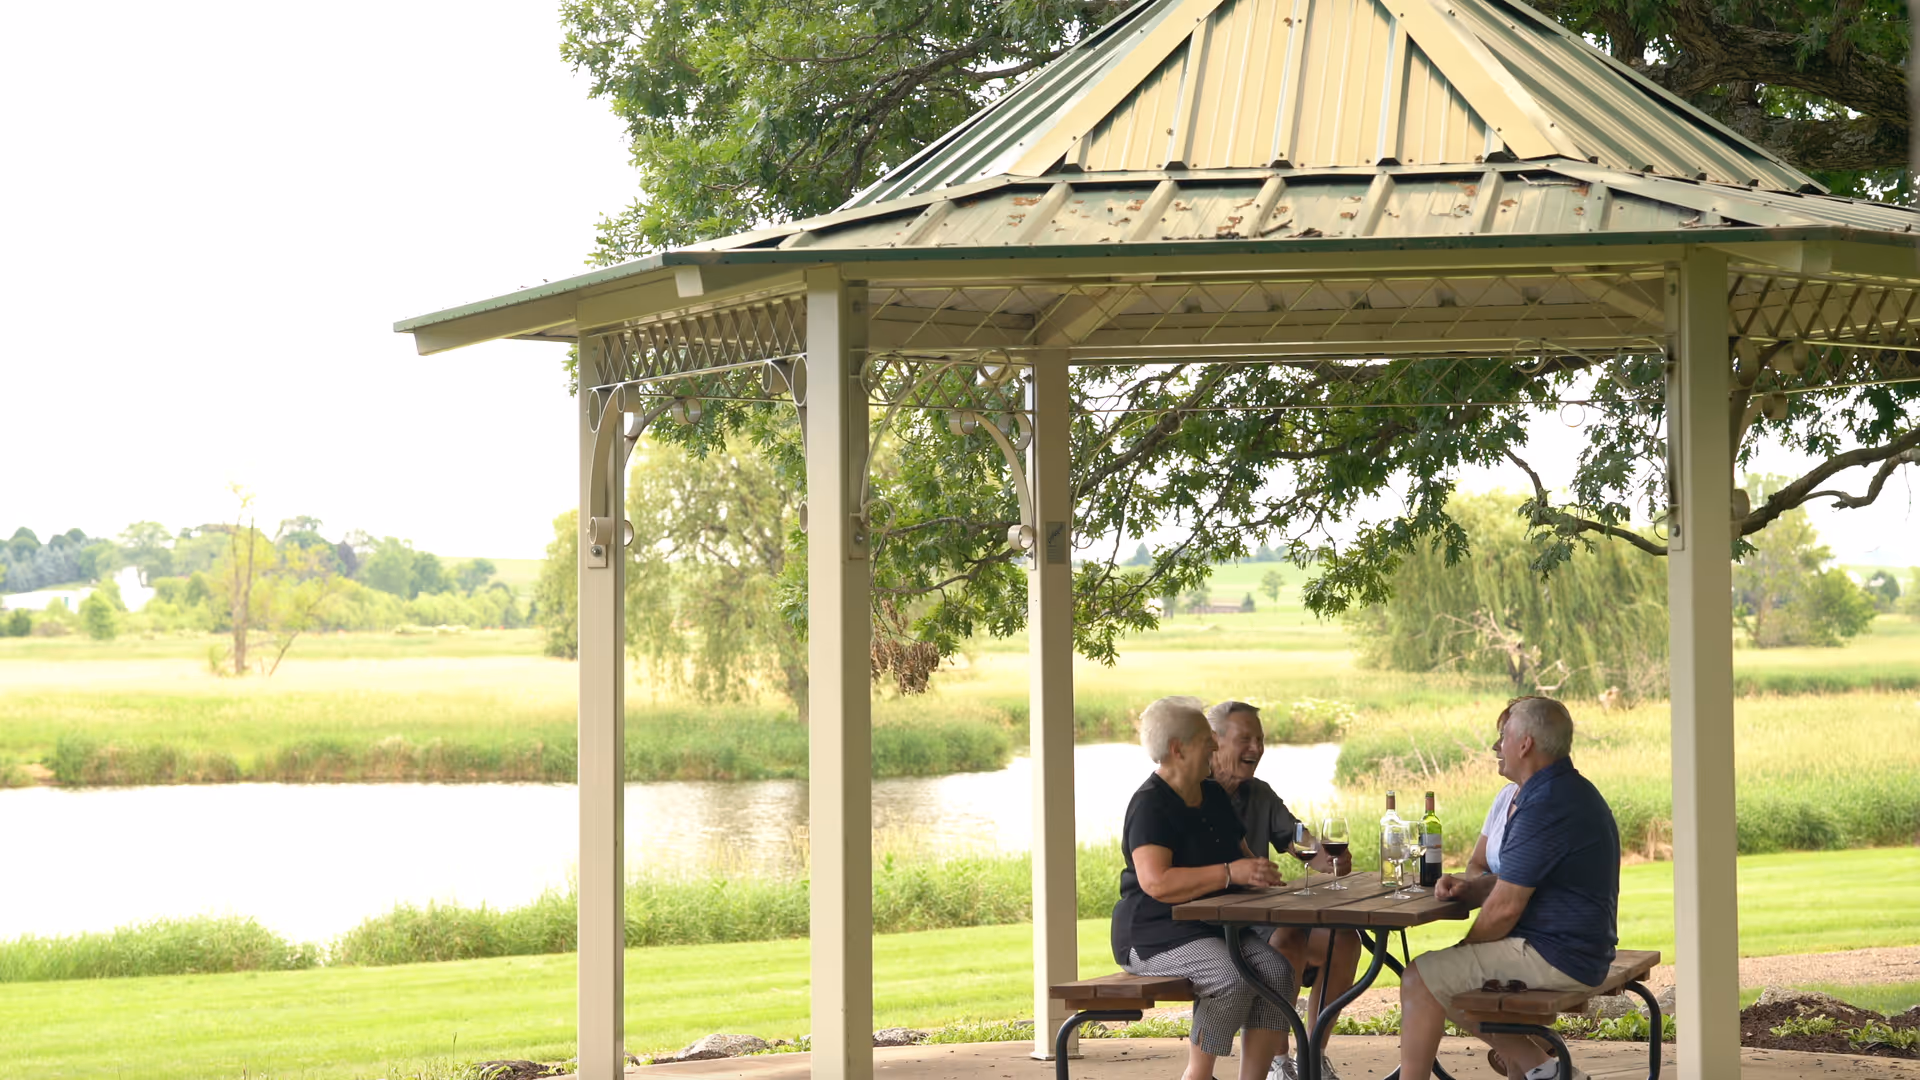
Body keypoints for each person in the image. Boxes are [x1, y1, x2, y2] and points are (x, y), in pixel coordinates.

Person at [1397, 696, 1620, 1080]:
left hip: (1559, 954)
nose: (1496, 746)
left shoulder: (1546, 803)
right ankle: (1543, 1068)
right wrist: (1472, 890)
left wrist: (1464, 951)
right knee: (1444, 976)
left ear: (1525, 743)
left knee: (1421, 978)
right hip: (1577, 948)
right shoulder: (1563, 791)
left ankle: (1543, 1068)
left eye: (1503, 736)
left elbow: (1505, 908)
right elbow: (1513, 882)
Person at [1114, 696, 1295, 1080]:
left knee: (1276, 972)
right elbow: (1156, 882)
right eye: (1205, 739)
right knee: (1229, 977)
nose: (1215, 745)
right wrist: (1232, 873)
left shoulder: (1211, 794)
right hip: (1153, 936)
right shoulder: (1151, 805)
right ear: (1178, 749)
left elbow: (1242, 854)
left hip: (1211, 928)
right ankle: (1198, 1075)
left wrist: (1258, 872)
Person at [1206, 700, 1358, 1080]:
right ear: (1214, 741)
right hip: (1212, 928)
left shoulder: (1258, 793)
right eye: (1245, 739)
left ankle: (1312, 1056)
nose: (1256, 748)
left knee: (1345, 938)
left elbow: (1298, 841)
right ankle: (1277, 1060)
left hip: (1261, 916)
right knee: (1289, 939)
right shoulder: (1193, 794)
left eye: (1260, 739)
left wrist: (1325, 856)